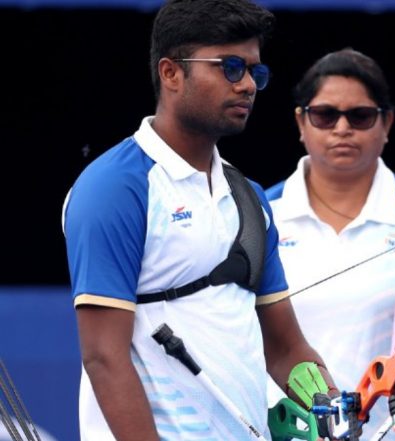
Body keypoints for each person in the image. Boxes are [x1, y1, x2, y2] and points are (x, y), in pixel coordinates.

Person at [61, 1, 336, 439]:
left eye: (254, 72)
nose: (247, 85)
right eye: (229, 67)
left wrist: (333, 411)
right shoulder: (114, 188)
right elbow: (103, 357)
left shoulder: (248, 197)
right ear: (171, 73)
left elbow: (285, 348)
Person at [264, 48, 395, 440]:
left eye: (360, 116)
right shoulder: (259, 215)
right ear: (301, 121)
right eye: (325, 115)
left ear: (387, 122)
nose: (342, 128)